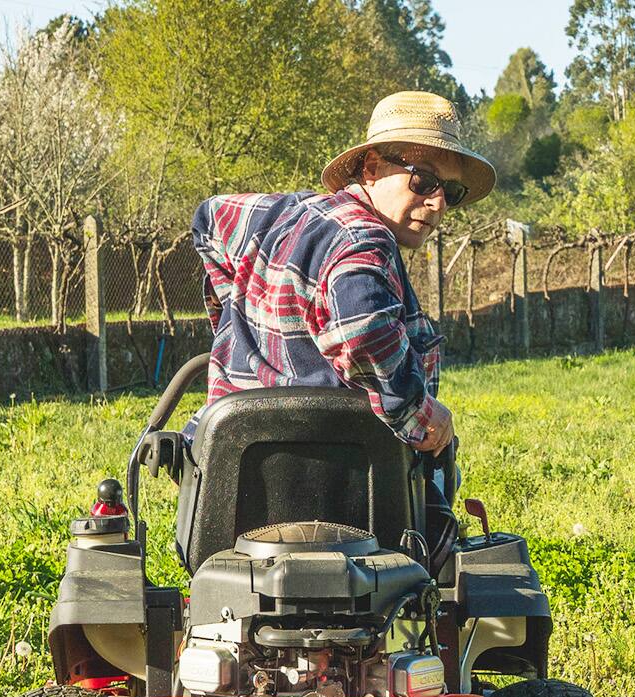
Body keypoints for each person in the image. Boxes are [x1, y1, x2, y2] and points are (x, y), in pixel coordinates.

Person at [190, 91, 496, 562]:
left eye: (450, 193)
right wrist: (421, 413)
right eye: (424, 181)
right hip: (355, 509)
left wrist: (235, 321)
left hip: (234, 497)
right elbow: (363, 330)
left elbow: (208, 219)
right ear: (371, 168)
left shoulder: (279, 214)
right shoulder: (364, 239)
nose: (437, 204)